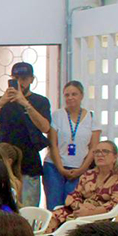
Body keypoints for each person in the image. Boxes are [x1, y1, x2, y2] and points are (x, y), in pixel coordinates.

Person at [0, 62, 52, 207]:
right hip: (3, 164)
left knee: (27, 208)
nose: (20, 83)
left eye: (24, 79)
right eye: (16, 78)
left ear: (32, 79)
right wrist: (0, 103)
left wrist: (25, 104)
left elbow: (45, 127)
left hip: (28, 163)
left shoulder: (40, 101)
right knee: (2, 205)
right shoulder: (3, 101)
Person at [44, 140, 118, 233]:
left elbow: (116, 205)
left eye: (105, 151)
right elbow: (74, 195)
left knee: (72, 225)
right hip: (79, 210)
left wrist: (90, 212)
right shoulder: (89, 174)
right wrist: (81, 207)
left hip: (101, 215)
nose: (100, 155)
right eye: (97, 152)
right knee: (50, 218)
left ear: (115, 156)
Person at [43, 81, 100, 209]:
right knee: (54, 207)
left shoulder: (91, 117)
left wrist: (82, 169)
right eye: (67, 95)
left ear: (81, 96)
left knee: (72, 207)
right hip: (54, 168)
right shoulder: (57, 115)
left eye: (74, 94)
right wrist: (61, 168)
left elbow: (93, 149)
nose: (70, 98)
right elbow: (53, 145)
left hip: (79, 168)